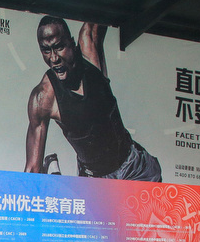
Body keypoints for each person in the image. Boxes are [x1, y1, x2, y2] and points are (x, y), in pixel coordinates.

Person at [25, 16, 162, 181]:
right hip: (96, 179)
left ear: (72, 43)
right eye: (46, 50)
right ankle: (54, 173)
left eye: (59, 47)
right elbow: (32, 168)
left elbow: (106, 8)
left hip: (133, 165)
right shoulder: (43, 98)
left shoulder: (90, 52)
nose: (54, 58)